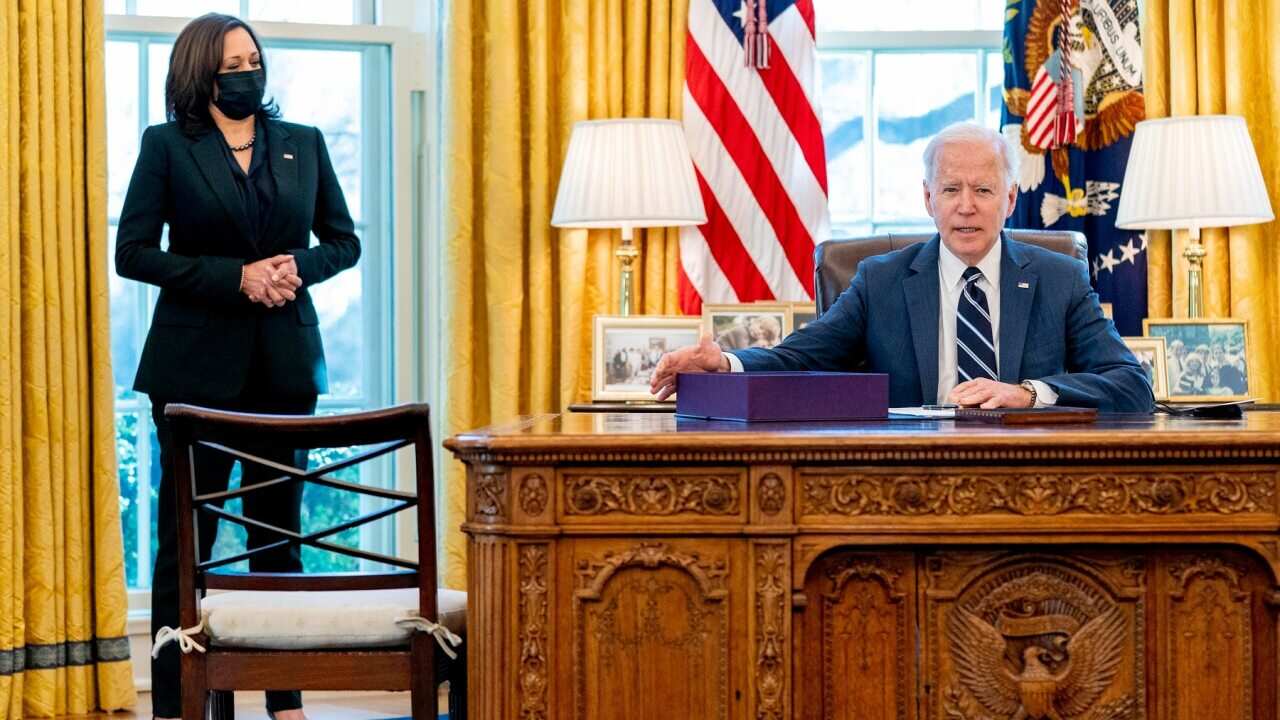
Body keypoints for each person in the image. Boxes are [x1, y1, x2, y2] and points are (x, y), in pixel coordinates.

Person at [114, 13, 360, 720]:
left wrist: (293, 268)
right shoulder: (167, 147)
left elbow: (343, 242)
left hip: (284, 371)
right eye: (231, 63)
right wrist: (235, 278)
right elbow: (133, 253)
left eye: (253, 59)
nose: (247, 71)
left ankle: (285, 702)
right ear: (201, 73)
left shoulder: (303, 145)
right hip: (191, 373)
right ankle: (175, 704)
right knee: (184, 548)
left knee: (277, 538)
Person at [651, 122, 1152, 413]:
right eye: (951, 189)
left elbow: (1132, 386)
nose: (966, 206)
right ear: (928, 199)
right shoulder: (880, 279)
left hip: (1027, 479)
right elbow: (798, 357)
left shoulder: (1059, 277)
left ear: (1010, 199)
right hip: (907, 478)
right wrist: (725, 364)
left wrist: (1028, 394)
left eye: (983, 190)